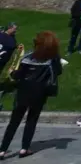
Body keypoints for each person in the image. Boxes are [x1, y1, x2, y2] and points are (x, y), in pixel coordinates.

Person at [0, 31, 62, 159]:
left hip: (23, 91)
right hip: (39, 93)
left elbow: (18, 75)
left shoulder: (28, 56)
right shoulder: (52, 58)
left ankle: (3, 150)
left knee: (14, 121)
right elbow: (58, 72)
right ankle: (24, 148)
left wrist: (12, 73)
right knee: (31, 120)